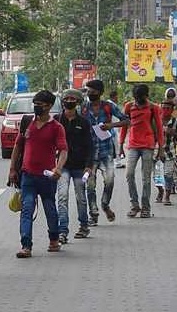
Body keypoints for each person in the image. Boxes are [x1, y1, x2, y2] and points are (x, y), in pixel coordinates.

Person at [9, 90, 68, 258]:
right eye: (35, 104)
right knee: (26, 208)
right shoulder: (27, 122)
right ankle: (26, 245)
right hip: (27, 174)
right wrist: (13, 169)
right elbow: (18, 146)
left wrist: (59, 168)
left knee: (49, 207)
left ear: (49, 106)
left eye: (40, 104)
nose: (36, 107)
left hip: (47, 176)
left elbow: (63, 150)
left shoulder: (56, 127)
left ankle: (54, 239)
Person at [81, 79, 129, 226]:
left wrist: (111, 125)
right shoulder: (83, 108)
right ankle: (93, 213)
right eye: (87, 90)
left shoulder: (109, 106)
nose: (89, 93)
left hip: (106, 151)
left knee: (110, 181)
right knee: (90, 185)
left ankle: (105, 204)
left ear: (100, 92)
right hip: (88, 154)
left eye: (92, 91)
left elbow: (126, 120)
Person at [119, 84, 164, 218]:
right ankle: (134, 205)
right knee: (129, 174)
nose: (138, 100)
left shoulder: (153, 108)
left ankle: (145, 207)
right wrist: (120, 144)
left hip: (148, 145)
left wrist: (161, 148)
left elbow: (160, 128)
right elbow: (124, 126)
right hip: (133, 144)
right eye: (136, 97)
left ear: (146, 96)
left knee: (146, 178)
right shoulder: (128, 106)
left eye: (141, 97)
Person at [55, 90, 93, 244]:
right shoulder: (57, 121)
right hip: (62, 166)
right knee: (62, 197)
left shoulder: (83, 122)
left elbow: (90, 145)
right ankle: (62, 231)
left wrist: (89, 165)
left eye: (73, 99)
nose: (69, 101)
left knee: (81, 197)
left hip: (79, 166)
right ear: (63, 101)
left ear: (77, 102)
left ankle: (84, 225)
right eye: (67, 98)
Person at [155, 99, 177, 206]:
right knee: (156, 176)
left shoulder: (176, 122)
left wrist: (173, 133)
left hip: (169, 152)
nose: (165, 110)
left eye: (168, 108)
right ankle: (160, 191)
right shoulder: (155, 121)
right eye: (164, 108)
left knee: (168, 174)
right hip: (155, 152)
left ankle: (167, 196)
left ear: (172, 110)